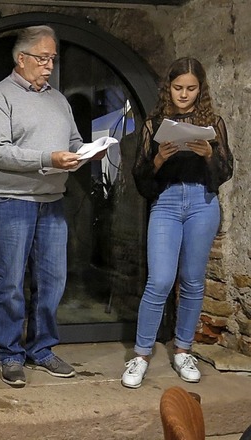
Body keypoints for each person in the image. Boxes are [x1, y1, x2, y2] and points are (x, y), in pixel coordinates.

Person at [0, 25, 93, 387]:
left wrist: (83, 154)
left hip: (52, 201)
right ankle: (11, 354)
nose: (48, 66)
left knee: (53, 280)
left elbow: (73, 140)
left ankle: (42, 349)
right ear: (21, 58)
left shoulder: (58, 100)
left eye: (52, 59)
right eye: (42, 59)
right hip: (11, 201)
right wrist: (49, 158)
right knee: (11, 281)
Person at [122, 57, 234, 388]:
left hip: (202, 202)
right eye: (177, 88)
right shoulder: (153, 125)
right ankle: (141, 355)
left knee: (193, 281)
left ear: (201, 90)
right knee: (159, 281)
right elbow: (140, 180)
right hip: (167, 203)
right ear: (167, 88)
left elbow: (226, 171)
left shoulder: (214, 123)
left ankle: (183, 349)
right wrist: (158, 158)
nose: (183, 95)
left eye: (191, 88)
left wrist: (208, 154)